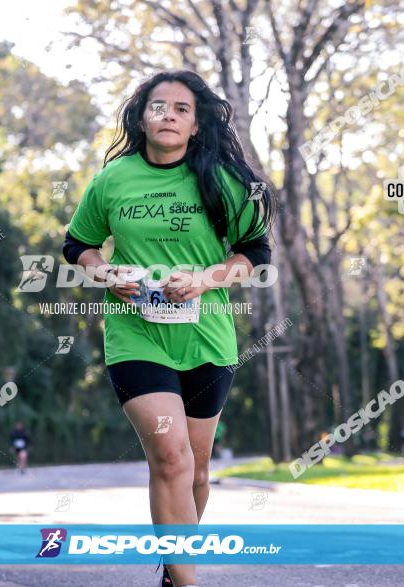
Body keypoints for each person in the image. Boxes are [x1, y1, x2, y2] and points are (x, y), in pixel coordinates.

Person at [62, 70, 273, 587]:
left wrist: (204, 279)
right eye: (159, 107)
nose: (169, 116)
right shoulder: (113, 179)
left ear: (196, 124)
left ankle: (174, 564)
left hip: (208, 336)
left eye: (181, 108)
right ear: (142, 116)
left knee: (197, 472)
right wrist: (105, 272)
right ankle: (186, 582)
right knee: (170, 456)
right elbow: (76, 246)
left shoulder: (225, 182)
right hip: (137, 336)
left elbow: (255, 255)